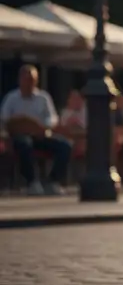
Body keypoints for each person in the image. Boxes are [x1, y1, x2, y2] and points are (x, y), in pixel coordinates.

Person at [0, 65, 72, 195]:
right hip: (19, 136)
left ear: (36, 81)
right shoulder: (11, 98)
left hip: (40, 135)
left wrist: (43, 126)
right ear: (20, 80)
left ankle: (52, 182)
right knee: (24, 144)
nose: (28, 82)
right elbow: (4, 118)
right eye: (26, 79)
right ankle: (32, 183)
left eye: (32, 79)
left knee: (65, 146)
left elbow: (53, 118)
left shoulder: (43, 98)